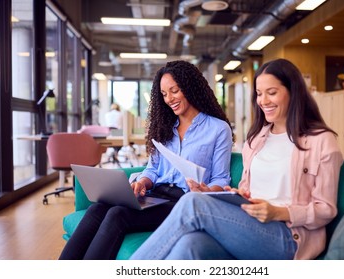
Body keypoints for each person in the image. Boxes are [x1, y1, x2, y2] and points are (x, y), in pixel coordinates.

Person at [130, 58, 344, 260]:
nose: (263, 101)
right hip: (249, 223)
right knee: (191, 244)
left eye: (272, 92)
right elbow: (245, 191)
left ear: (293, 93)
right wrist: (227, 194)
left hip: (288, 236)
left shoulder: (321, 141)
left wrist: (279, 211)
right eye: (259, 94)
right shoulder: (257, 139)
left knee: (192, 203)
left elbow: (325, 209)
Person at [59, 60, 234, 260]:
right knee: (98, 208)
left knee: (118, 215)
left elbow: (221, 179)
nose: (169, 99)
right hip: (155, 194)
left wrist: (206, 191)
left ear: (190, 87)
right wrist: (142, 181)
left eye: (174, 91)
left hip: (183, 203)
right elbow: (152, 169)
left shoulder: (218, 129)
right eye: (164, 94)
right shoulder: (164, 127)